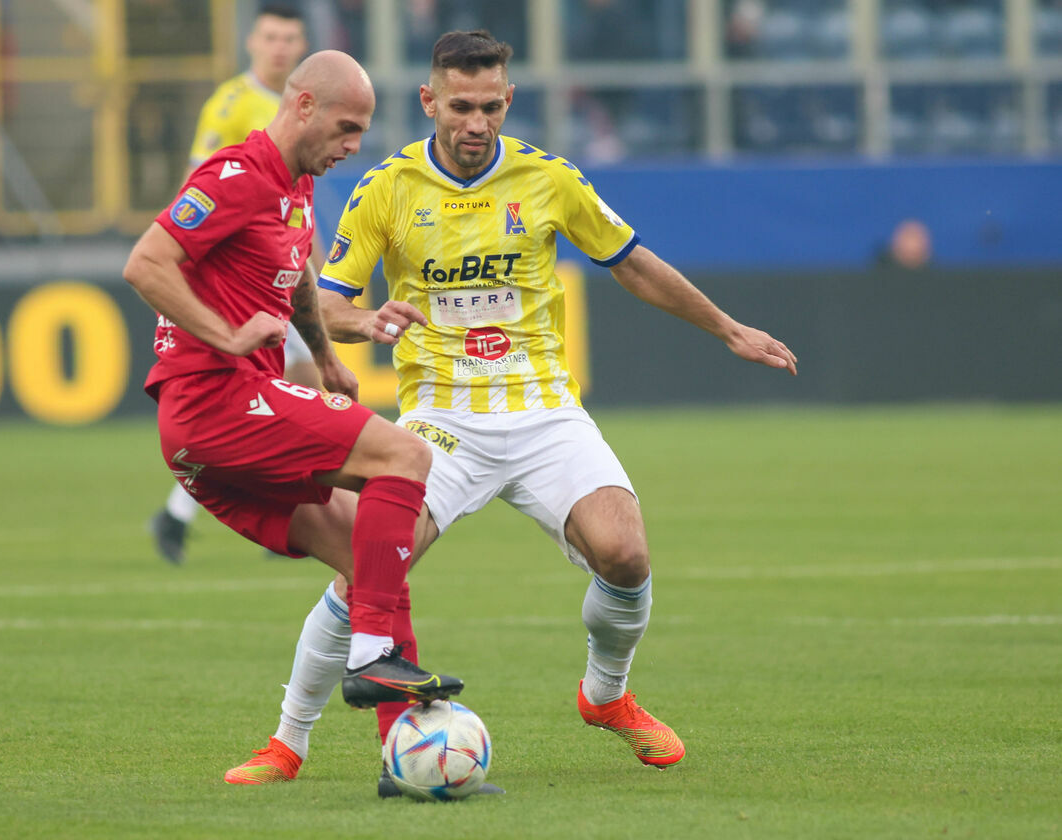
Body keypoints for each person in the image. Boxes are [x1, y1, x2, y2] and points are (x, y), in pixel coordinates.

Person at [223, 30, 798, 796]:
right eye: (460, 105)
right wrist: (362, 326)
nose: (475, 122)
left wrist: (728, 328)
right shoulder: (386, 189)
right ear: (429, 101)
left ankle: (606, 696)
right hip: (440, 422)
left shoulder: (550, 179)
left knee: (625, 554)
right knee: (370, 563)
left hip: (543, 412)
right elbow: (327, 301)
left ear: (509, 102)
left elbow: (632, 262)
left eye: (490, 106)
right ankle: (286, 743)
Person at [123, 50, 465, 753]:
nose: (352, 146)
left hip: (219, 423)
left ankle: (403, 751)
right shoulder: (234, 177)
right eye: (345, 128)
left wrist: (336, 353)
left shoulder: (294, 184)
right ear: (303, 105)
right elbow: (145, 263)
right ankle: (371, 657)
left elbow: (298, 275)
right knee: (404, 454)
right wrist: (226, 333)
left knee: (370, 558)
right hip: (214, 402)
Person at [147, 4, 323, 565]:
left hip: (282, 276)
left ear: (300, 46)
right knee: (273, 391)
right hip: (238, 279)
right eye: (270, 36)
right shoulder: (230, 103)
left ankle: (187, 512)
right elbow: (196, 192)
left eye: (289, 38)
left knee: (295, 384)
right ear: (252, 42)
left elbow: (295, 213)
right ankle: (280, 504)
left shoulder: (305, 108)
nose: (279, 47)